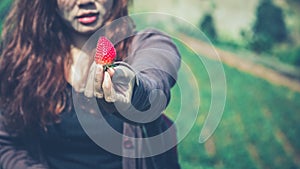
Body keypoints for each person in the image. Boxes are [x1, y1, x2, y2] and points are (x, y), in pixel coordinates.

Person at [0, 0, 181, 169]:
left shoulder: (146, 44)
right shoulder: (22, 63)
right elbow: (7, 144)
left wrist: (136, 90)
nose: (85, 1)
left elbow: (155, 74)